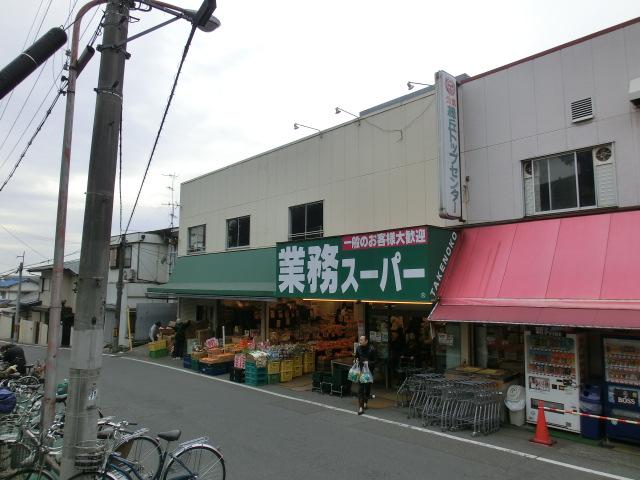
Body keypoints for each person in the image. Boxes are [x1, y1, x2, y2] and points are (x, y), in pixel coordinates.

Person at [354, 335, 376, 415]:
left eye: (362, 340)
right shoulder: (358, 348)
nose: (360, 341)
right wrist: (356, 360)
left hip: (368, 372)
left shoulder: (372, 349)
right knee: (360, 388)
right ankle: (360, 407)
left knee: (367, 388)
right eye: (360, 340)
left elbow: (376, 361)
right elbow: (356, 357)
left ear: (366, 341)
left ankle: (365, 402)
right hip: (360, 371)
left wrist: (368, 363)